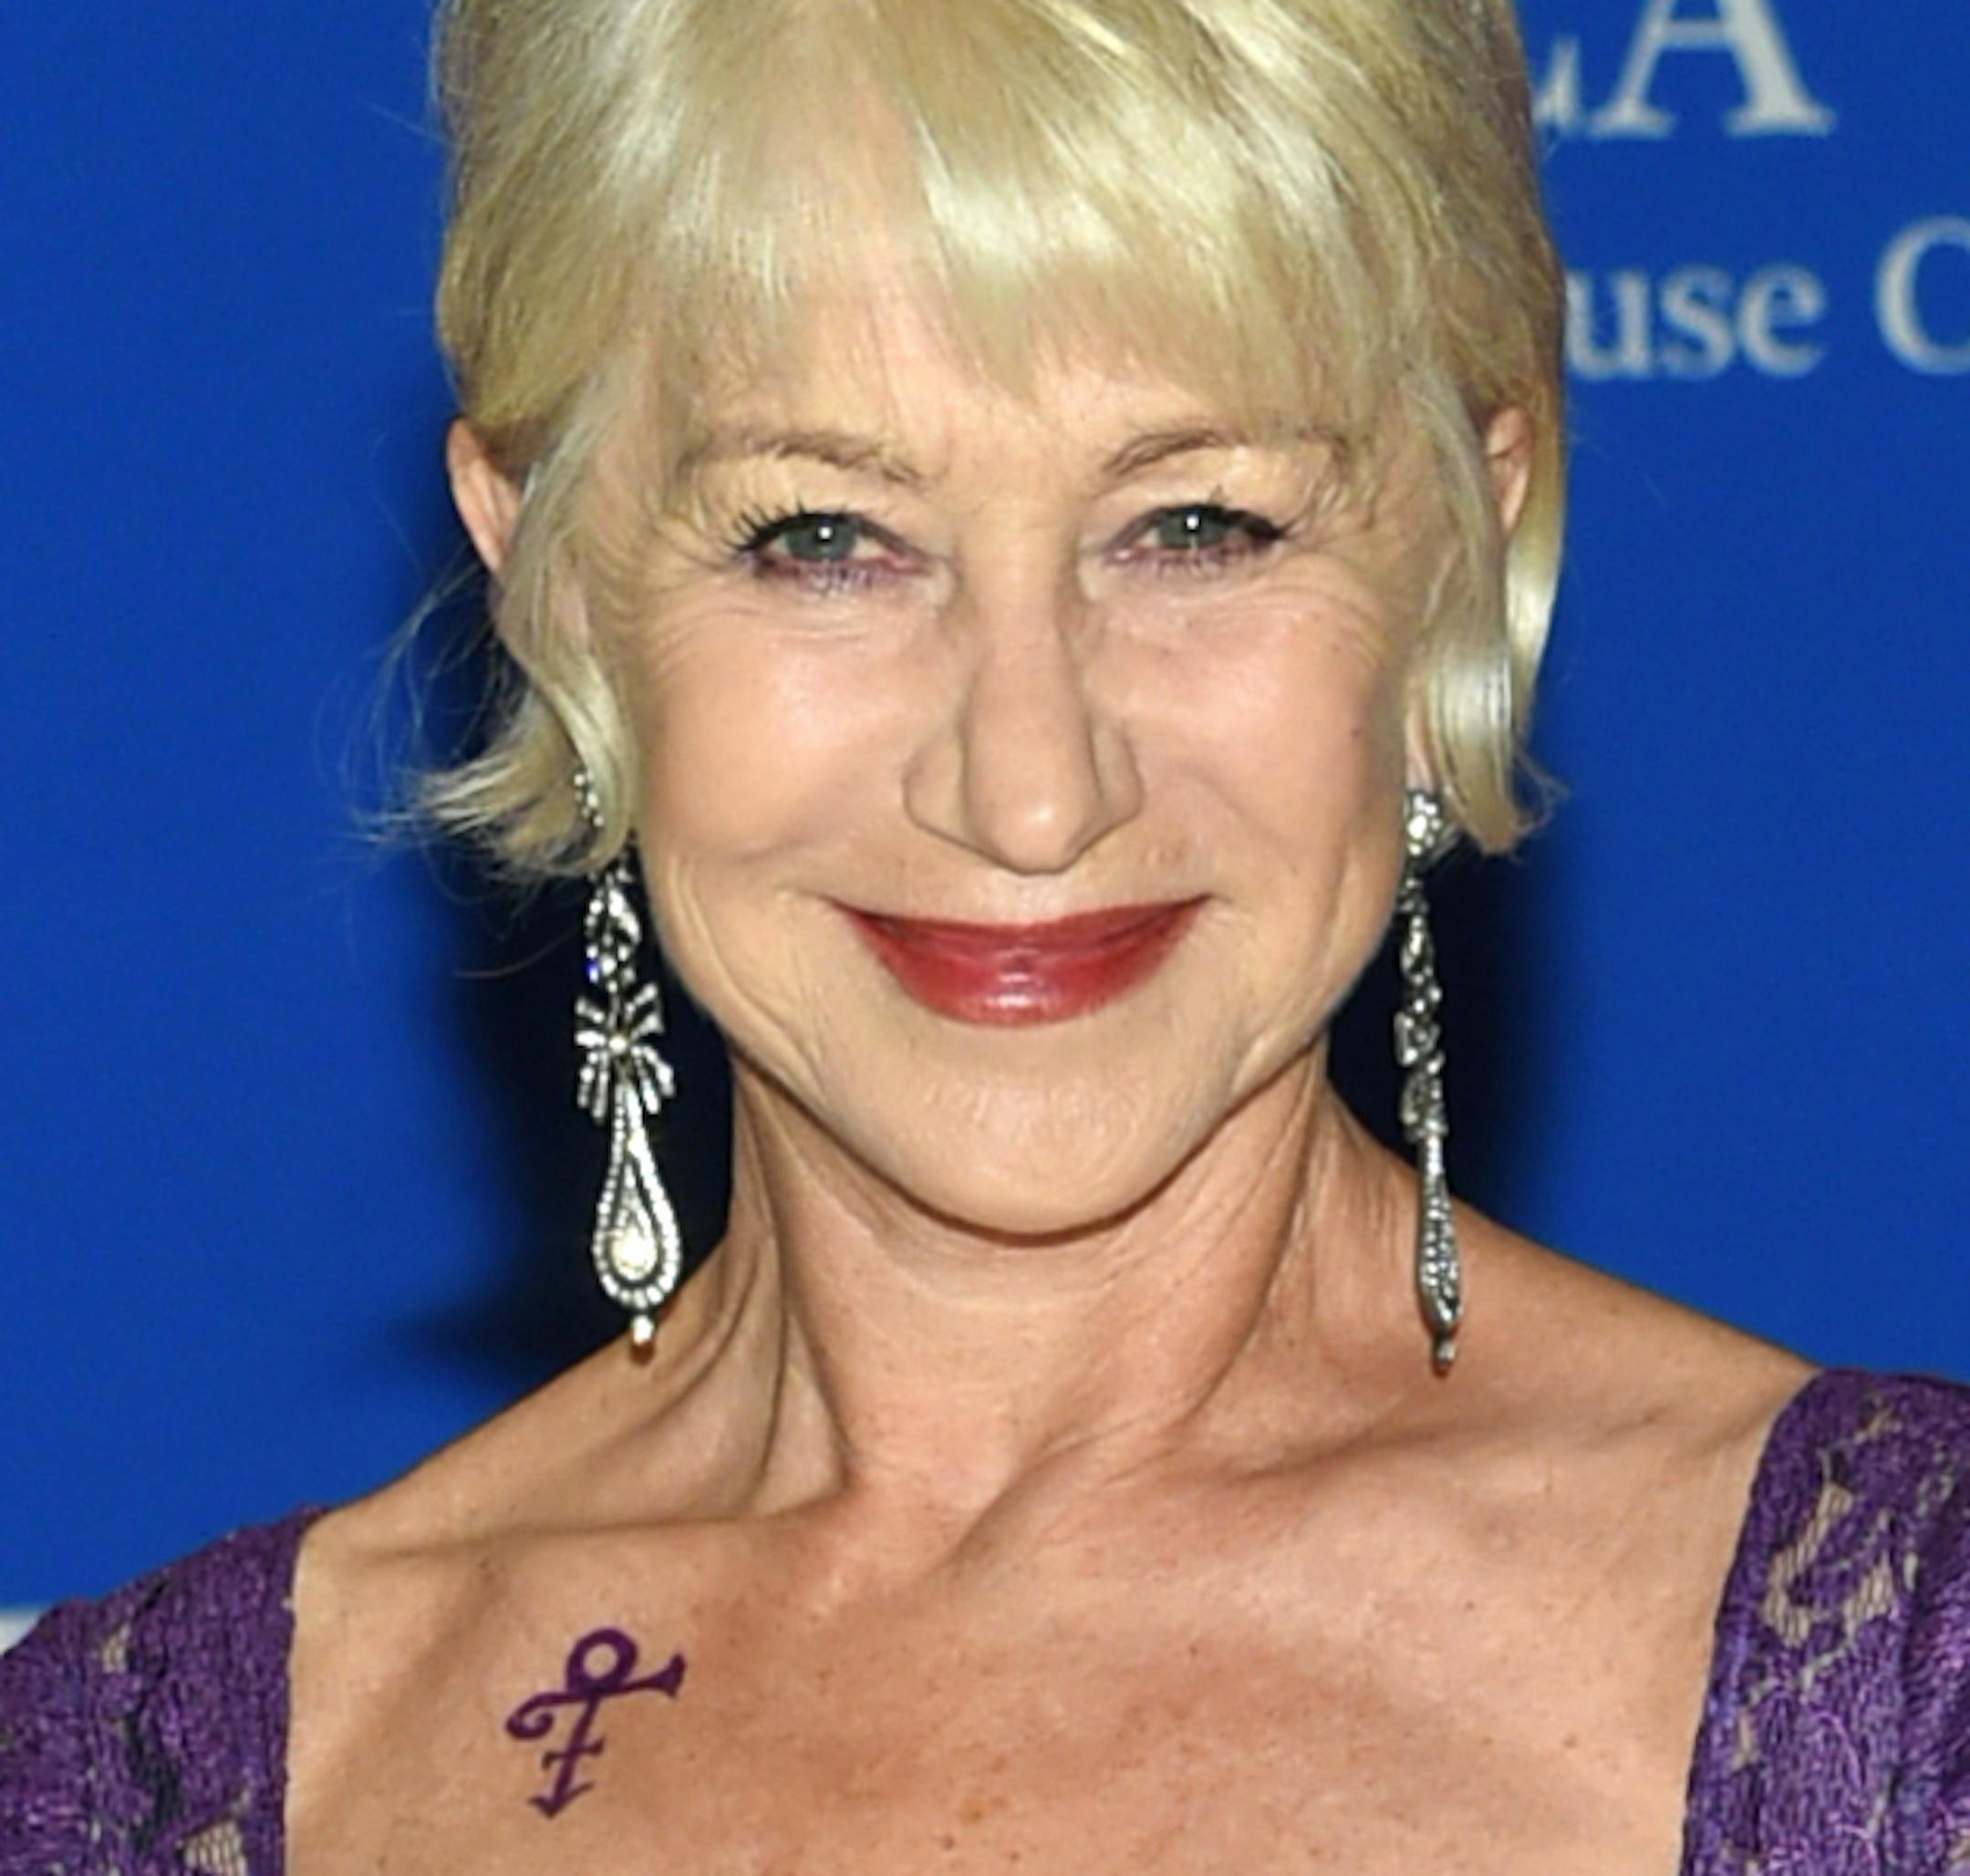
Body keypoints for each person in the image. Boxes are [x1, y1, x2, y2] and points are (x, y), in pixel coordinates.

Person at [5, 0, 1967, 1869]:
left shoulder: (1908, 1693)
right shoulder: (139, 1788)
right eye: (824, 540)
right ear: (554, 575)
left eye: (1197, 525)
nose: (1030, 790)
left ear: (1466, 531)